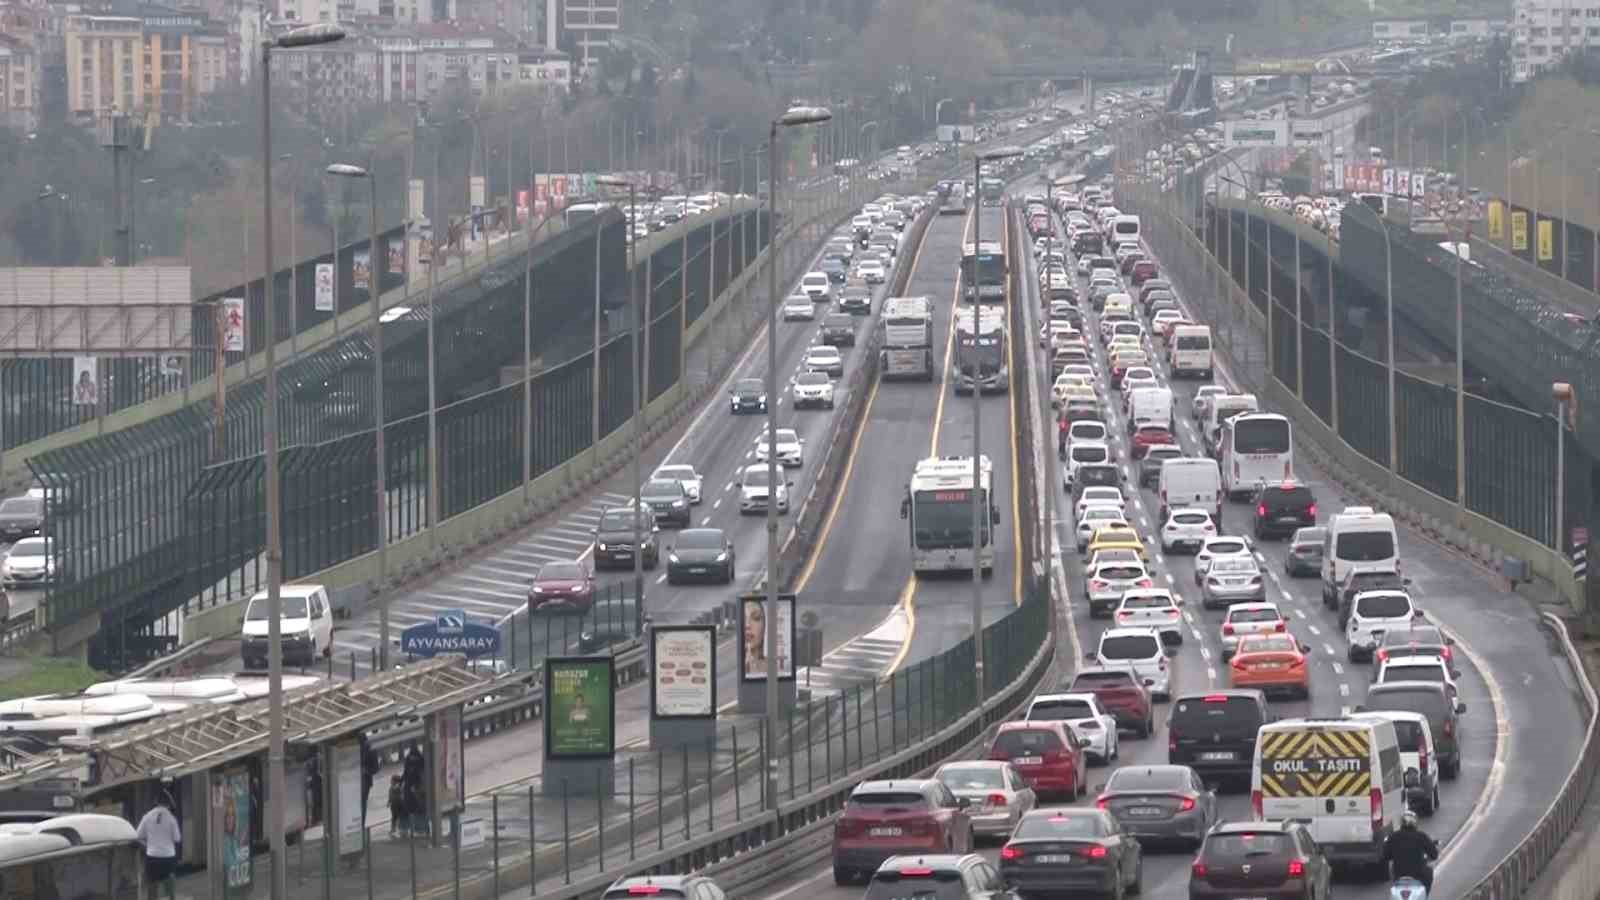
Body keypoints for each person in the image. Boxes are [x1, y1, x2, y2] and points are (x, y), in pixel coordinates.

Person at [135, 791, 182, 900]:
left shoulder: (147, 816)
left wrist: (147, 845)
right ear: (168, 804)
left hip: (152, 857)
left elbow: (137, 836)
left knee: (152, 885)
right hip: (168, 858)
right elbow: (177, 838)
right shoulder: (171, 818)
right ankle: (171, 897)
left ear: (156, 802)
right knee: (170, 881)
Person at [1382, 810, 1438, 893]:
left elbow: (1385, 856)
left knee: (1391, 871)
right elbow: (1434, 855)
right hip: (1418, 874)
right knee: (1429, 871)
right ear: (1415, 823)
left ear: (1402, 823)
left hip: (1399, 874)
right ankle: (1425, 895)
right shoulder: (1421, 836)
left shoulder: (1393, 836)